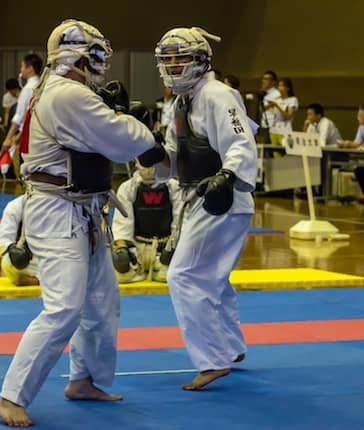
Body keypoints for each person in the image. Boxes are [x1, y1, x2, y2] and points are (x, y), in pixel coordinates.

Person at [0, 19, 157, 427]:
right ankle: (11, 396)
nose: (100, 63)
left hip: (83, 208)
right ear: (78, 56)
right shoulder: (68, 95)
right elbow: (123, 138)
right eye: (95, 54)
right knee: (64, 308)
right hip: (57, 211)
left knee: (101, 301)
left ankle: (84, 379)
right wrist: (138, 125)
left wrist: (118, 115)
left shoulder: (57, 89)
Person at [147, 26, 257, 391]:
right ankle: (231, 347)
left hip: (224, 196)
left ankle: (211, 359)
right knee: (212, 278)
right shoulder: (181, 102)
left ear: (200, 60)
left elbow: (241, 142)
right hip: (197, 195)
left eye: (180, 57)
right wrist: (146, 148)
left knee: (184, 275)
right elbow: (173, 160)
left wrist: (227, 176)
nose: (173, 65)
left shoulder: (218, 94)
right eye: (168, 59)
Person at [111, 162, 181, 283]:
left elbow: (179, 223)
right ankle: (136, 265)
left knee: (170, 275)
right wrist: (122, 250)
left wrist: (173, 247)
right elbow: (122, 225)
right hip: (138, 248)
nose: (148, 167)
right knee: (122, 271)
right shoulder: (127, 188)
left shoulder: (174, 187)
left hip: (164, 247)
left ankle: (164, 263)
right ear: (136, 163)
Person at [0, 194, 39, 286]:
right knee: (8, 261)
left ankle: (37, 281)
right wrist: (12, 249)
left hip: (52, 262)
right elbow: (3, 239)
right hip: (26, 262)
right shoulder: (16, 206)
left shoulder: (61, 207)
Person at [265, 77, 298, 144]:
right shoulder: (276, 99)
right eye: (279, 86)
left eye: (282, 86)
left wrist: (277, 106)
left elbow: (289, 116)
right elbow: (264, 109)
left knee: (284, 148)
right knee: (273, 150)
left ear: (288, 88)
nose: (279, 88)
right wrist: (269, 105)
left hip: (285, 130)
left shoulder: (292, 100)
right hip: (273, 130)